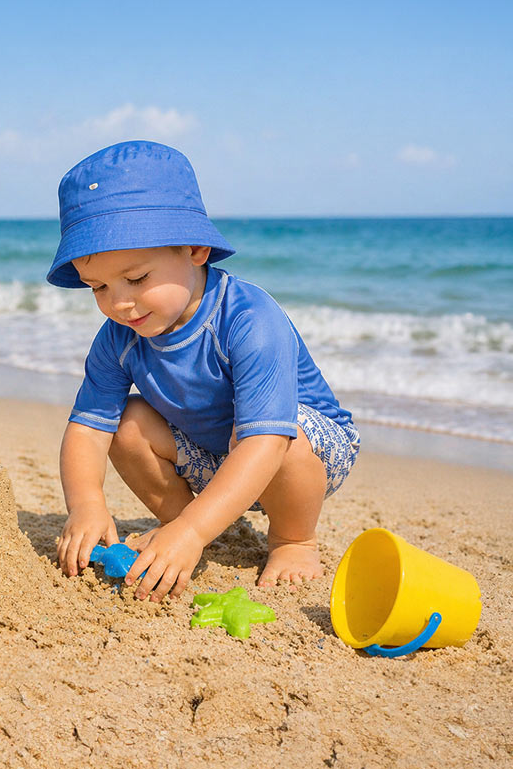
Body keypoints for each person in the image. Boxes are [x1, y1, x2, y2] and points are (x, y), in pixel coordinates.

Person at [48, 140, 359, 599]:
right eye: (98, 287)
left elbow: (265, 441)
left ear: (194, 250)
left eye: (136, 279)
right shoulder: (119, 336)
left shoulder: (248, 318)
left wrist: (196, 532)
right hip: (212, 455)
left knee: (282, 434)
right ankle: (179, 524)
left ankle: (293, 539)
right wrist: (87, 505)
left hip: (301, 451)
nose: (119, 302)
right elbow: (88, 430)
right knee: (126, 424)